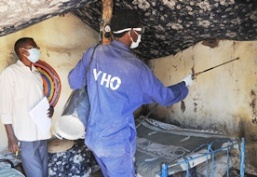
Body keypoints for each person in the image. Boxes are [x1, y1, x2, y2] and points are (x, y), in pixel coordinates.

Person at [68, 10, 193, 177]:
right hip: (115, 145)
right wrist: (184, 85)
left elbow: (74, 82)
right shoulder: (136, 68)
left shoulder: (94, 52)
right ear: (131, 32)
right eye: (139, 31)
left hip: (93, 138)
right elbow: (165, 97)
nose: (139, 36)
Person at [0, 37, 54, 177]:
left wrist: (49, 109)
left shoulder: (36, 74)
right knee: (35, 174)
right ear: (22, 51)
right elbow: (5, 108)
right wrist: (11, 137)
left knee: (43, 171)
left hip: (41, 132)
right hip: (25, 134)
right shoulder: (10, 73)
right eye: (33, 47)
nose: (37, 50)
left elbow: (39, 100)